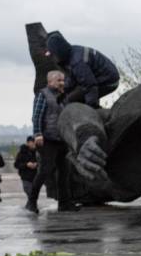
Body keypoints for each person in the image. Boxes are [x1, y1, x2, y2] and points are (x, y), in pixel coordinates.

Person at [27, 70, 75, 213]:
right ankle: (31, 201)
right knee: (45, 171)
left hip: (61, 139)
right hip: (47, 140)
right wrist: (38, 134)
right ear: (50, 82)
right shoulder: (43, 95)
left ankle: (64, 204)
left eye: (63, 80)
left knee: (64, 172)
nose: (62, 83)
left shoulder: (63, 96)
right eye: (59, 80)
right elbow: (36, 116)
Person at [45, 30, 120, 108]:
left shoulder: (77, 62)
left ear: (58, 51)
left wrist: (91, 106)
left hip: (109, 82)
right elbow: (73, 78)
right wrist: (64, 91)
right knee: (72, 96)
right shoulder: (72, 52)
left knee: (71, 100)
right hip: (102, 78)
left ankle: (94, 112)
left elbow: (89, 85)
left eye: (53, 54)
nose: (53, 57)